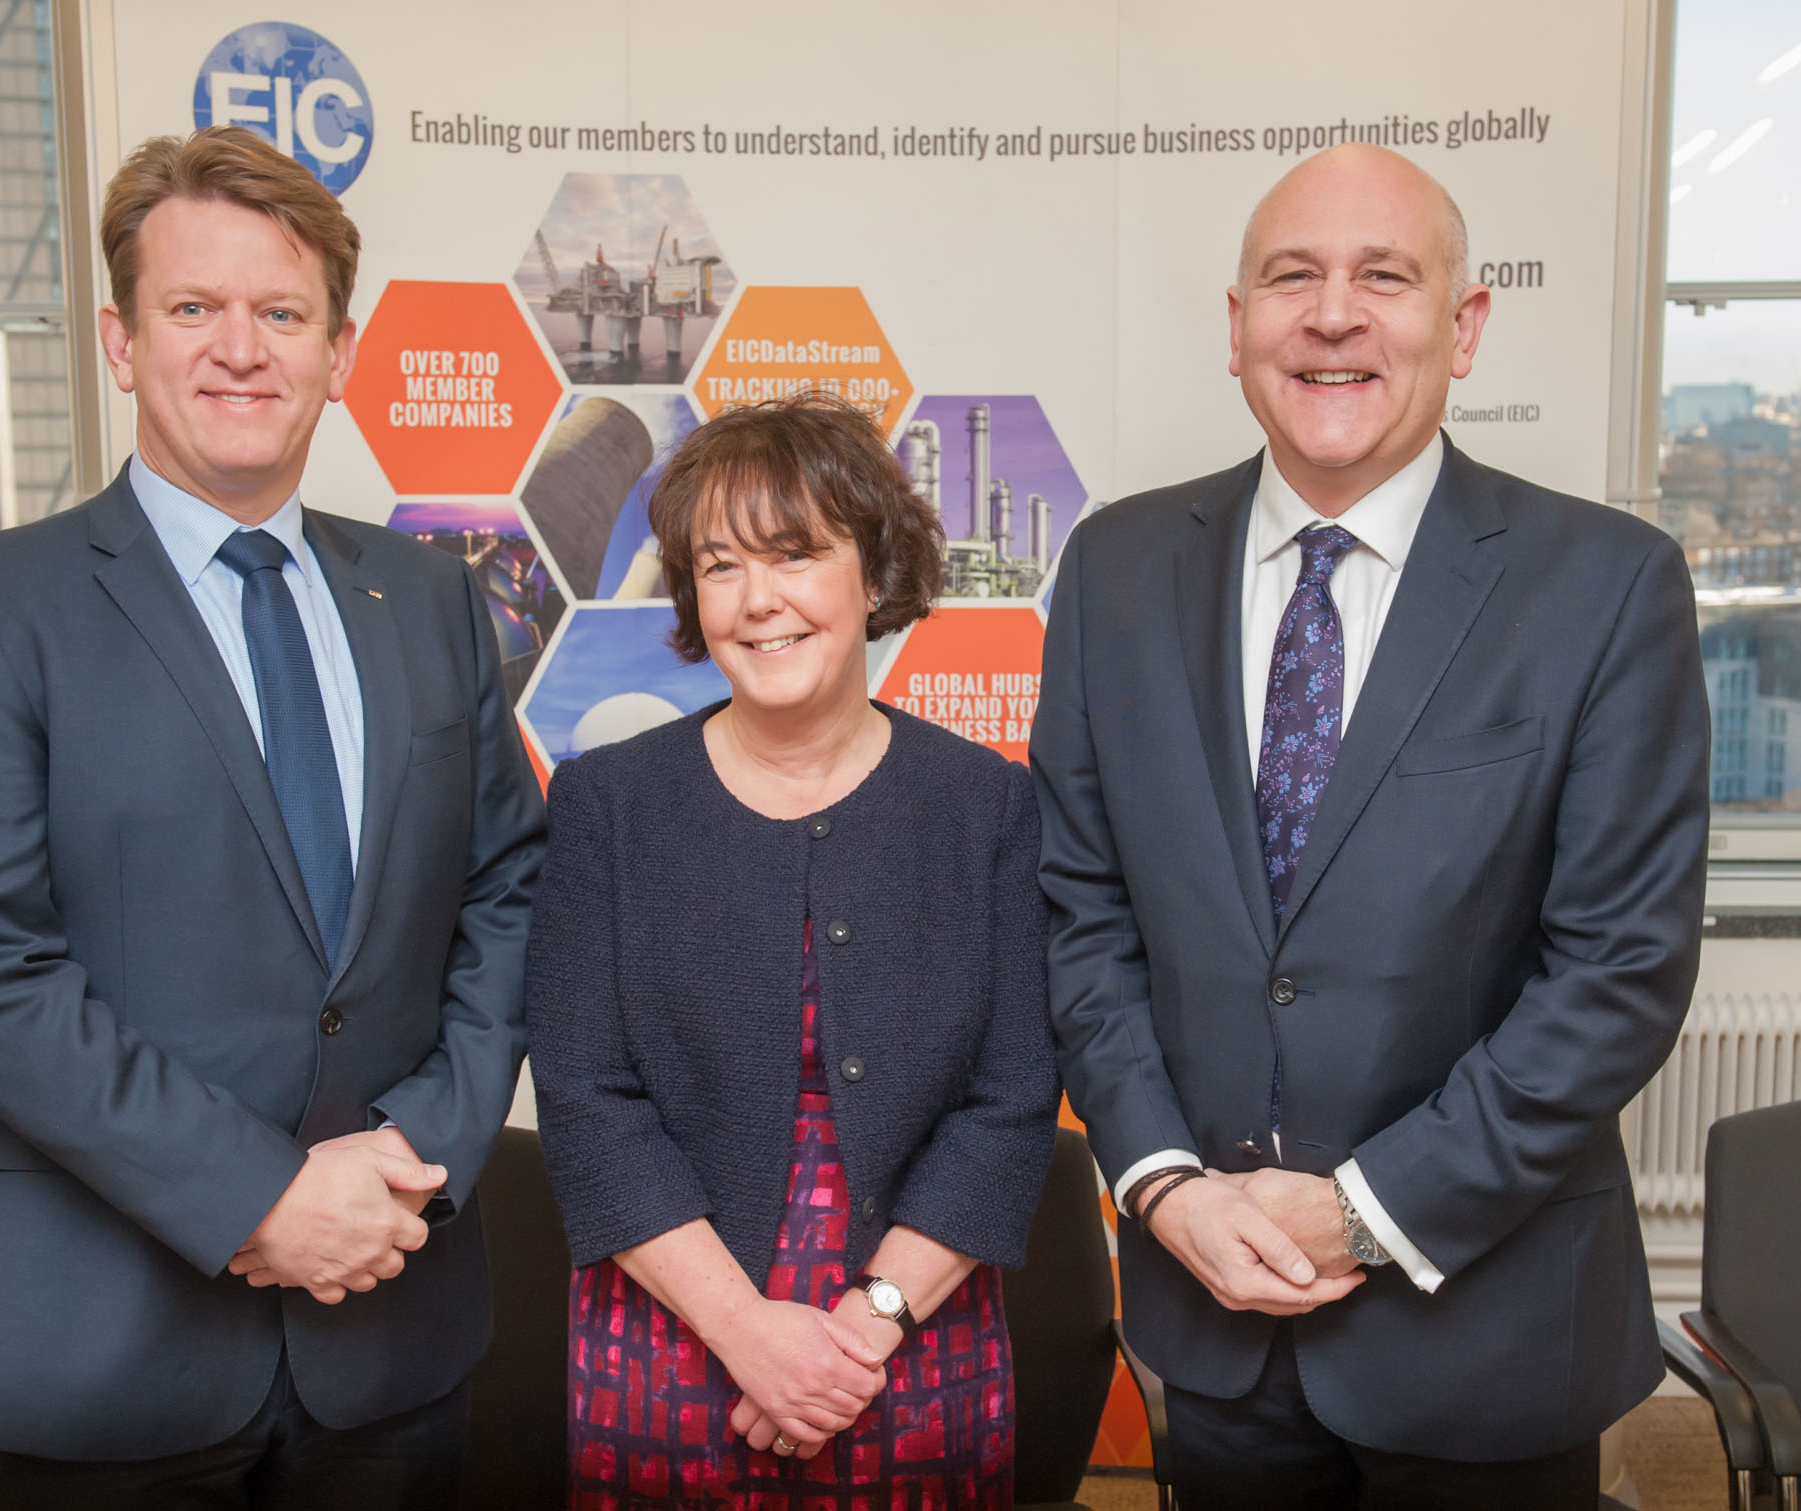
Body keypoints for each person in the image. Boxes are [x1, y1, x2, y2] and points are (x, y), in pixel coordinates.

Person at [0, 125, 544, 1507]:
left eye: (282, 312)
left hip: (390, 1332)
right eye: (195, 308)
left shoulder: (427, 599)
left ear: (339, 352)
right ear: (123, 341)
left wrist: (415, 1156)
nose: (242, 347)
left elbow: (508, 890)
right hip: (99, 1351)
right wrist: (263, 1197)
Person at [1032, 143, 1709, 1510]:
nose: (1333, 314)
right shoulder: (1117, 566)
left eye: (1384, 277)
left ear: (1462, 326)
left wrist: (1359, 1208)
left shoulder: (1605, 585)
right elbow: (1081, 910)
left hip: (1489, 1326)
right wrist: (1164, 1183)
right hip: (1216, 1318)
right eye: (1293, 277)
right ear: (1238, 329)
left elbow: (1618, 967)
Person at [526, 392, 1060, 1507]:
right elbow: (586, 1099)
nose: (757, 598)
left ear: (872, 572)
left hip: (913, 1335)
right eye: (718, 564)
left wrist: (861, 1326)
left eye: (794, 553)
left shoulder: (986, 808)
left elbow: (1008, 1101)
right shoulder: (606, 805)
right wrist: (744, 1329)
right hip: (670, 1337)